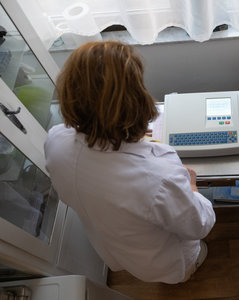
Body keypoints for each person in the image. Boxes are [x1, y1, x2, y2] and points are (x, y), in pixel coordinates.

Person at [44, 41, 216, 284]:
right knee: (197, 251)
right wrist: (192, 188)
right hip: (170, 262)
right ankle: (192, 268)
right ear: (135, 100)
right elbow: (200, 225)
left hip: (117, 248)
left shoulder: (55, 140)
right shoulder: (159, 178)